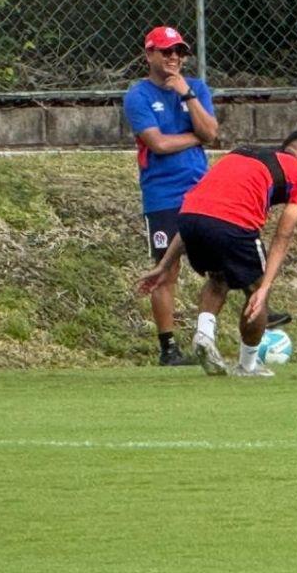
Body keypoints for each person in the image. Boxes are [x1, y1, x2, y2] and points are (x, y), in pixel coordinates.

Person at [136, 131, 297, 377]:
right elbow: (284, 235)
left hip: (187, 219)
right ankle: (248, 365)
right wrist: (264, 286)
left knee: (219, 279)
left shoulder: (240, 152)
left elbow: (203, 207)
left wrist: (165, 264)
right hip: (233, 225)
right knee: (257, 296)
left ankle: (204, 335)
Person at [123, 25, 219, 366]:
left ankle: (222, 334)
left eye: (179, 51)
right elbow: (158, 144)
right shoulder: (138, 96)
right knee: (166, 270)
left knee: (222, 262)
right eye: (166, 51)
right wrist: (196, 138)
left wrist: (187, 95)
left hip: (201, 191)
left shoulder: (195, 88)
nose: (174, 57)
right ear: (149, 54)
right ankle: (168, 348)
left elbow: (211, 131)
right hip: (162, 194)